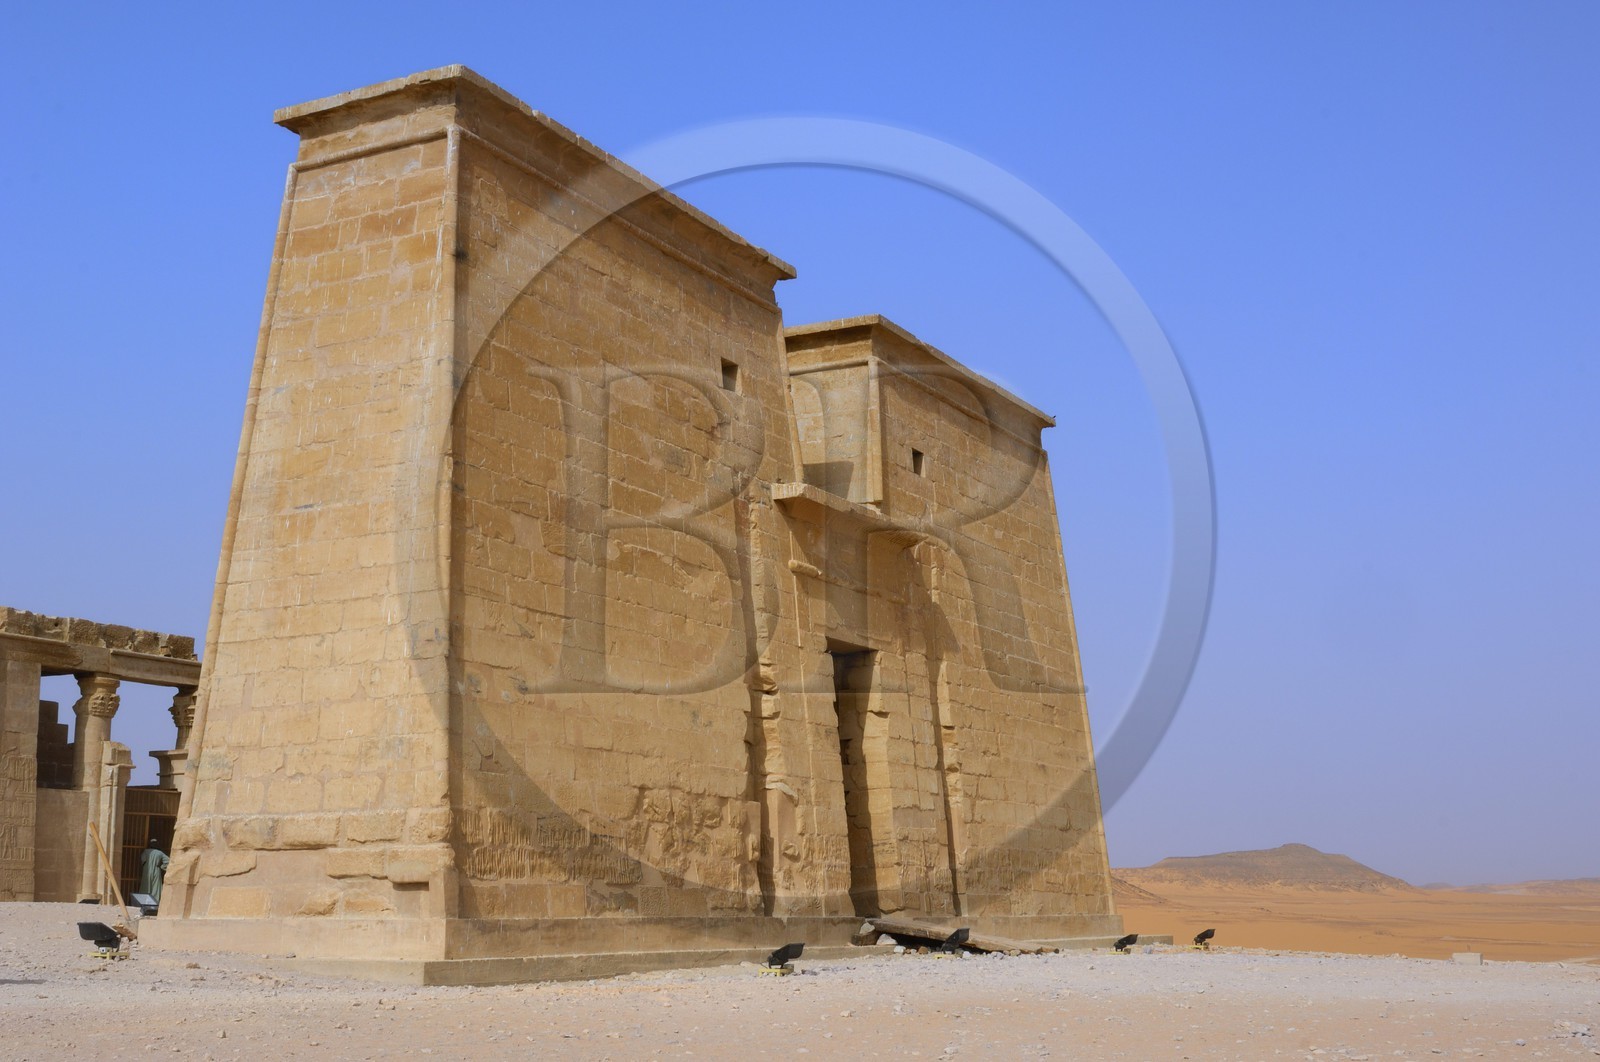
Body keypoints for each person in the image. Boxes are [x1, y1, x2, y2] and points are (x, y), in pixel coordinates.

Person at [139, 839, 169, 905]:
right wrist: (162, 867)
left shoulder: (145, 851)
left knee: (146, 886)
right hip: (156, 871)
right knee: (156, 888)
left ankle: (144, 903)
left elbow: (142, 860)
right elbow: (168, 861)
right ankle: (155, 903)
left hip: (146, 871)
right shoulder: (160, 853)